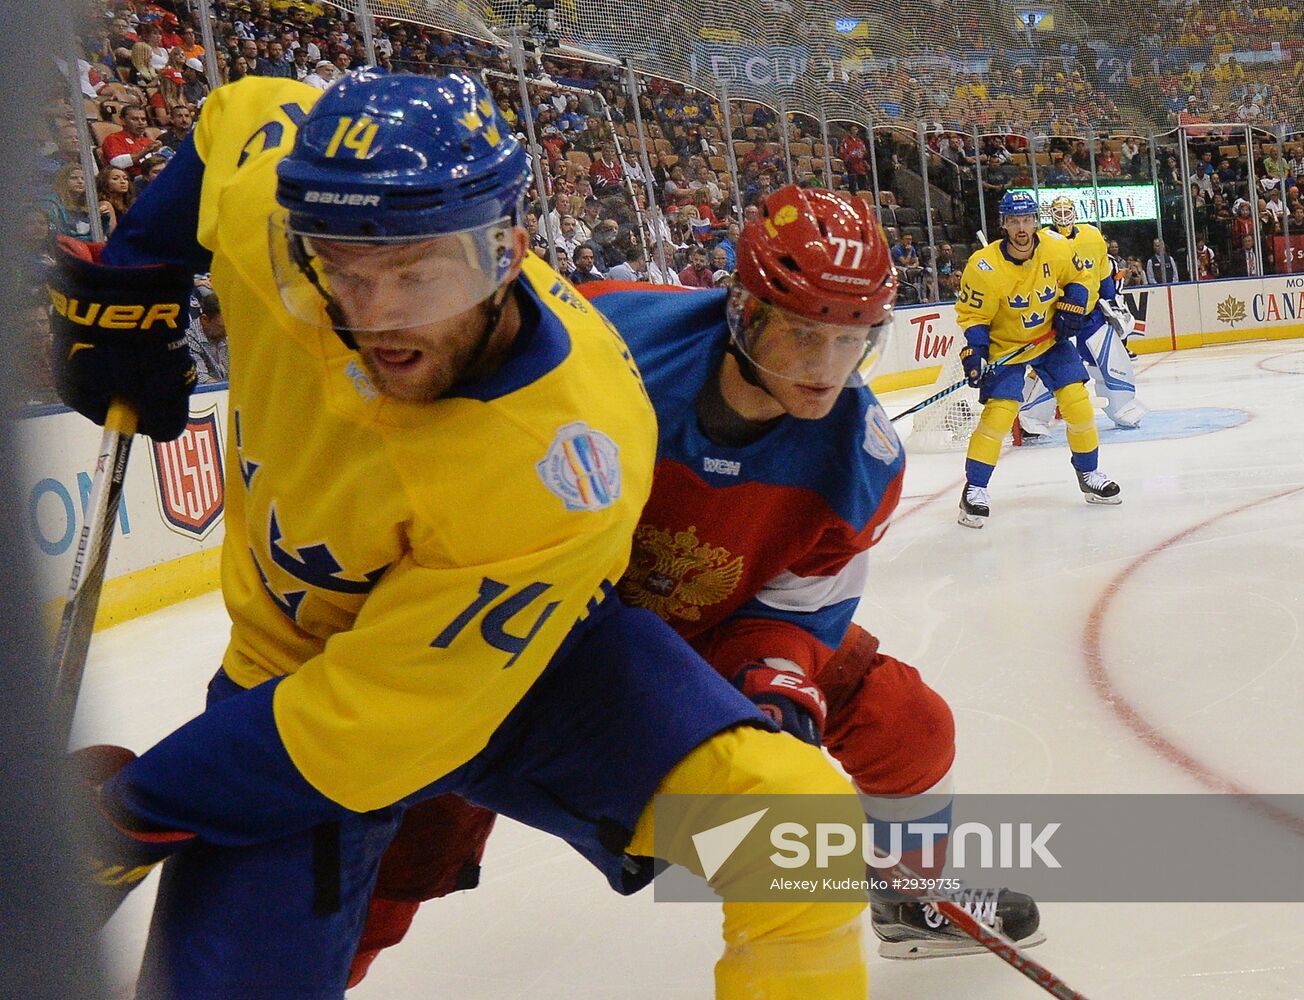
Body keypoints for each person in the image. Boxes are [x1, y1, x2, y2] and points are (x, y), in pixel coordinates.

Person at [50, 72, 867, 1000]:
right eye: (345, 268)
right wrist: (132, 276)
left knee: (795, 832)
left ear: (508, 251)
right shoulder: (276, 221)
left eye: (421, 271)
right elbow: (238, 117)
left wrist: (129, 814)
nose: (381, 315)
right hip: (296, 675)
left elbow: (363, 733)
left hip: (515, 670)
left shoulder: (565, 458)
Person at [346, 186, 1045, 983]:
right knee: (401, 834)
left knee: (906, 721)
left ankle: (914, 892)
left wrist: (775, 693)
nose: (824, 374)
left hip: (693, 631)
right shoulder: (604, 337)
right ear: (743, 313)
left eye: (850, 345)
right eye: (800, 338)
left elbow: (795, 610)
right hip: (514, 623)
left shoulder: (862, 461)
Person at [954, 191, 1122, 527]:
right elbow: (974, 317)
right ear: (1003, 223)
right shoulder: (983, 266)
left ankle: (1089, 473)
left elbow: (1080, 279)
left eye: (1027, 219)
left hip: (1049, 340)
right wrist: (976, 352)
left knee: (1078, 403)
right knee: (999, 416)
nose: (1021, 227)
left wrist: (1073, 304)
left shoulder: (1056, 247)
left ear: (1036, 221)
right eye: (1014, 221)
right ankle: (974, 489)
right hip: (1006, 347)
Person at [1018, 196, 1146, 435]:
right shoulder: (1042, 240)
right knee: (1054, 367)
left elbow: (1103, 275)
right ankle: (1031, 416)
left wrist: (1112, 303)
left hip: (1090, 315)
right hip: (1058, 320)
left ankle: (1124, 406)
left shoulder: (1092, 236)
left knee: (1114, 359)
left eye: (1068, 211)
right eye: (1059, 212)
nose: (1063, 217)